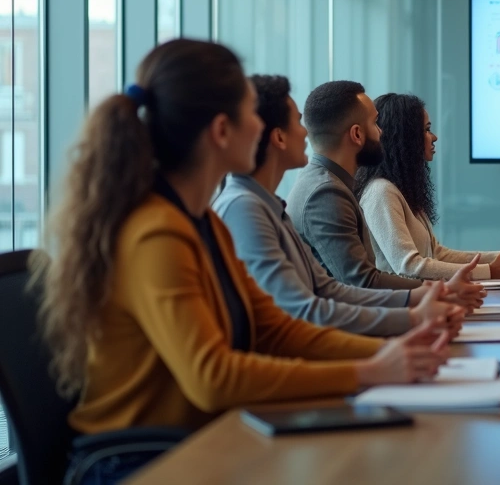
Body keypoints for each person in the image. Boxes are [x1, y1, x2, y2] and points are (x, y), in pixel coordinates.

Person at [32, 41, 448, 484]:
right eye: (252, 112)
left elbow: (275, 328)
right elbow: (213, 376)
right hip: (138, 461)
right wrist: (369, 369)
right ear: (221, 130)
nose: (267, 127)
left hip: (199, 438)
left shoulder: (204, 220)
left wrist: (393, 353)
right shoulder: (155, 232)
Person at [214, 76, 466, 337]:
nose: (306, 132)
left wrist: (425, 299)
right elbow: (310, 308)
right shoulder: (308, 195)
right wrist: (412, 317)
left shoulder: (272, 202)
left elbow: (326, 289)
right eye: (297, 122)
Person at [286, 80, 484, 308]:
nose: (382, 133)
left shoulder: (332, 184)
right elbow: (362, 281)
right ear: (357, 134)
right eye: (375, 124)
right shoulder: (325, 193)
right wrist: (441, 290)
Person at [356, 92, 500, 281]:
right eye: (427, 130)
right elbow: (409, 266)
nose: (434, 137)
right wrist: (490, 271)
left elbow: (437, 253)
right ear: (406, 138)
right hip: (404, 306)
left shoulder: (401, 189)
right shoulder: (381, 192)